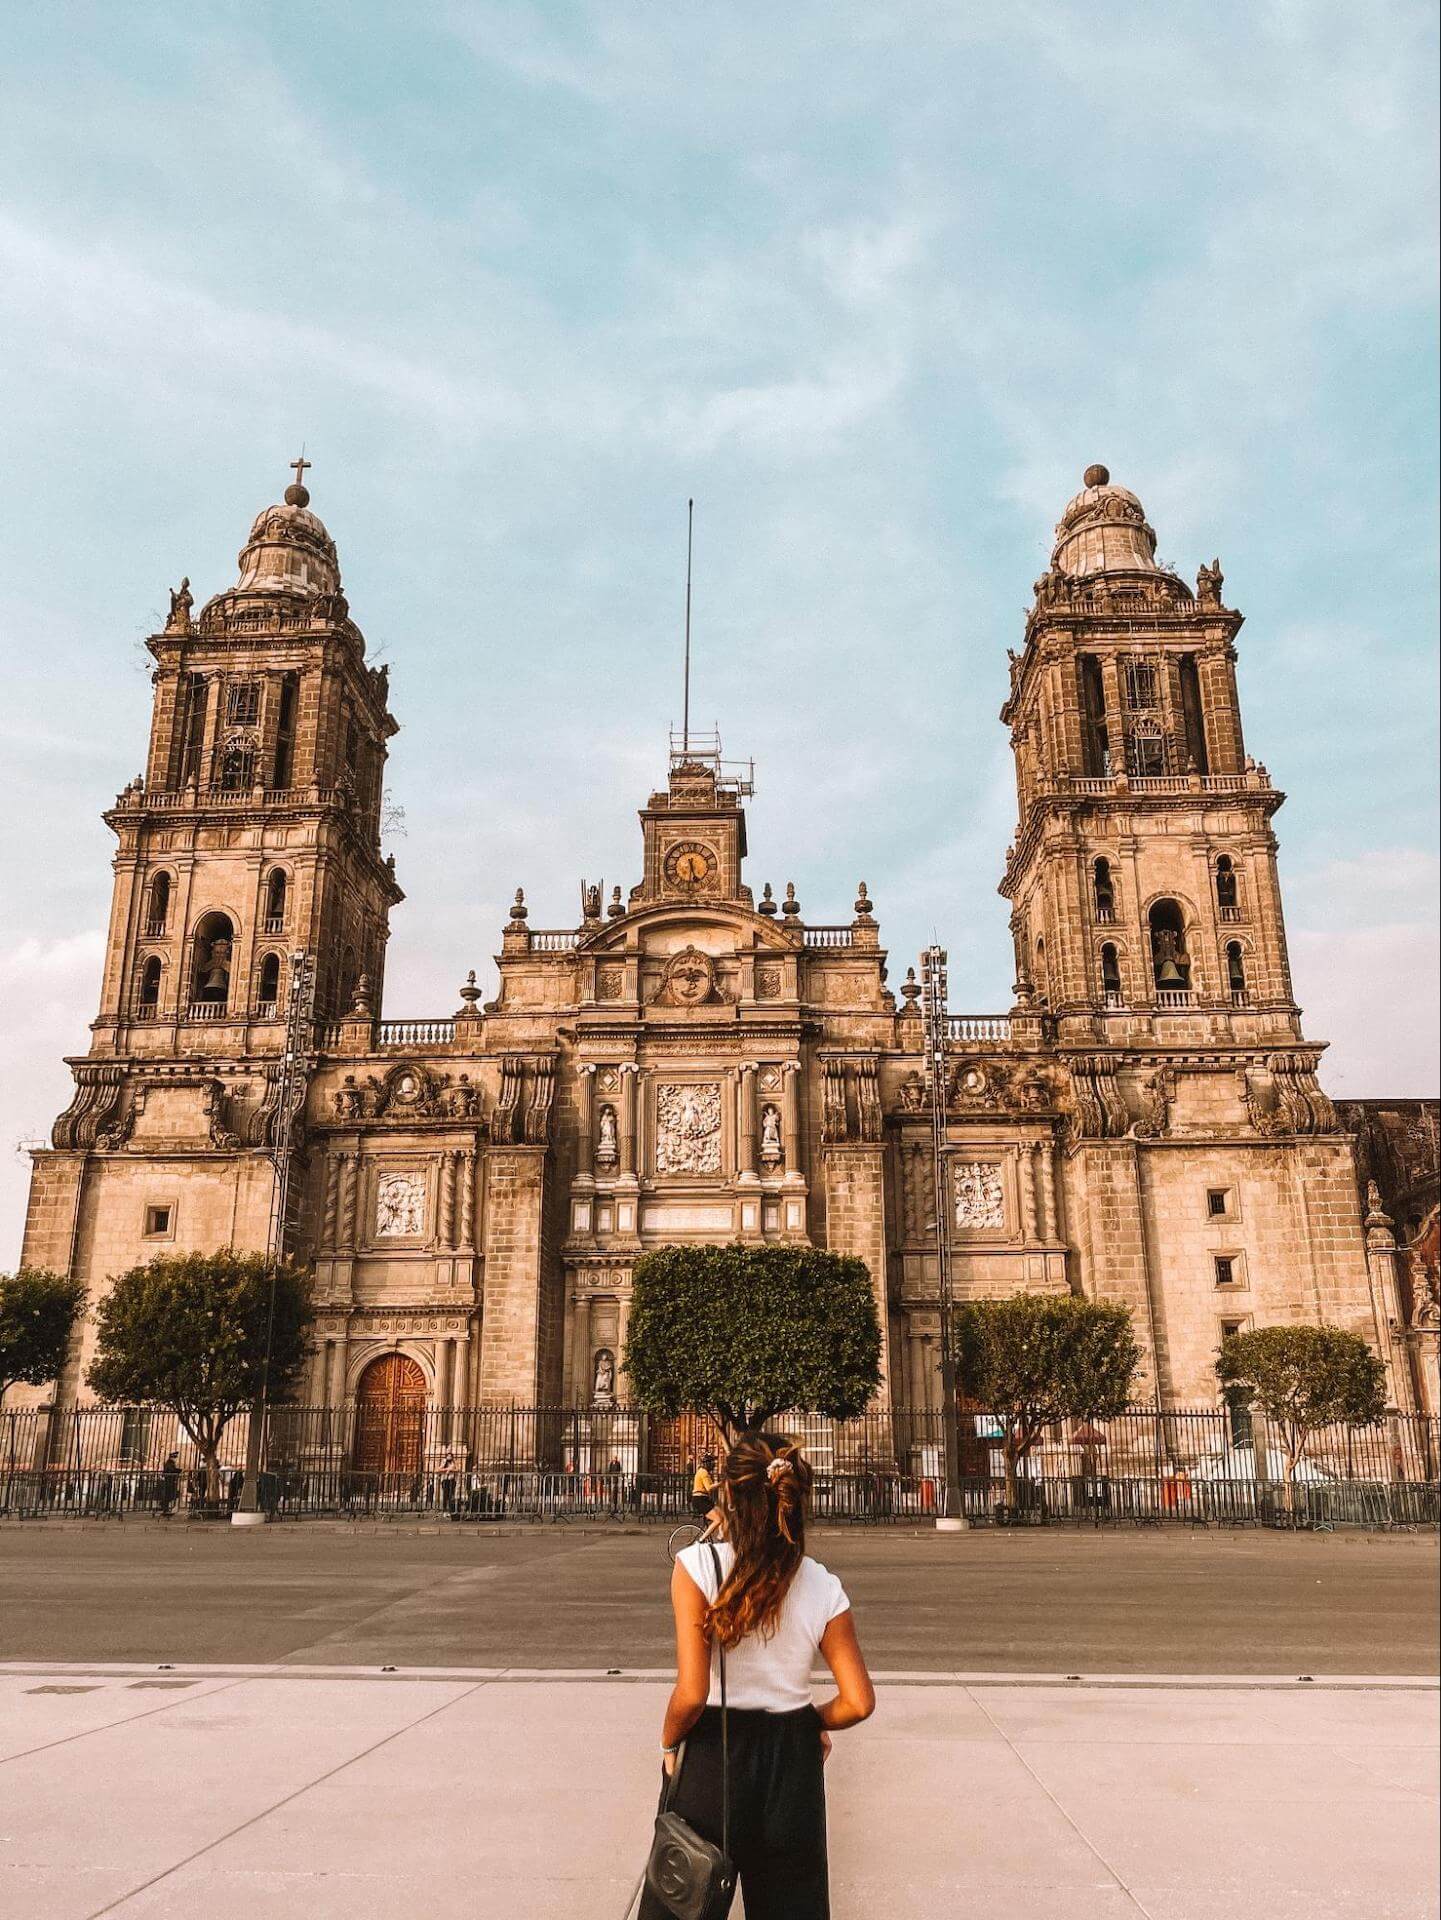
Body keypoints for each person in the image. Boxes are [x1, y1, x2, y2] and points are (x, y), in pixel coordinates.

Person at [641, 1433, 876, 1919]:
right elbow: (858, 1701)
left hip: (713, 1753)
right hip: (792, 1759)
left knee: (682, 1901)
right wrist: (808, 1724)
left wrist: (668, 1744)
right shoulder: (820, 1582)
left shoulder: (696, 1567)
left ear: (726, 1493)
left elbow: (692, 1691)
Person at [690, 1452, 717, 1522]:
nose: (713, 1465)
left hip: (705, 1499)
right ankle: (706, 1533)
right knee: (718, 1519)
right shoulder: (703, 1472)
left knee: (720, 1515)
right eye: (712, 1462)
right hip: (700, 1500)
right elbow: (709, 1488)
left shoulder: (705, 1472)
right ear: (706, 1463)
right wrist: (721, 1484)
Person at [158, 1451, 181, 1518]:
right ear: (172, 1457)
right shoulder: (169, 1463)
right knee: (167, 1495)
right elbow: (172, 1470)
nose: (176, 1458)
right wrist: (180, 1470)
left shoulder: (170, 1462)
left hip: (170, 1481)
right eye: (175, 1457)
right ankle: (164, 1508)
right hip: (168, 1481)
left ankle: (165, 1507)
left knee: (168, 1495)